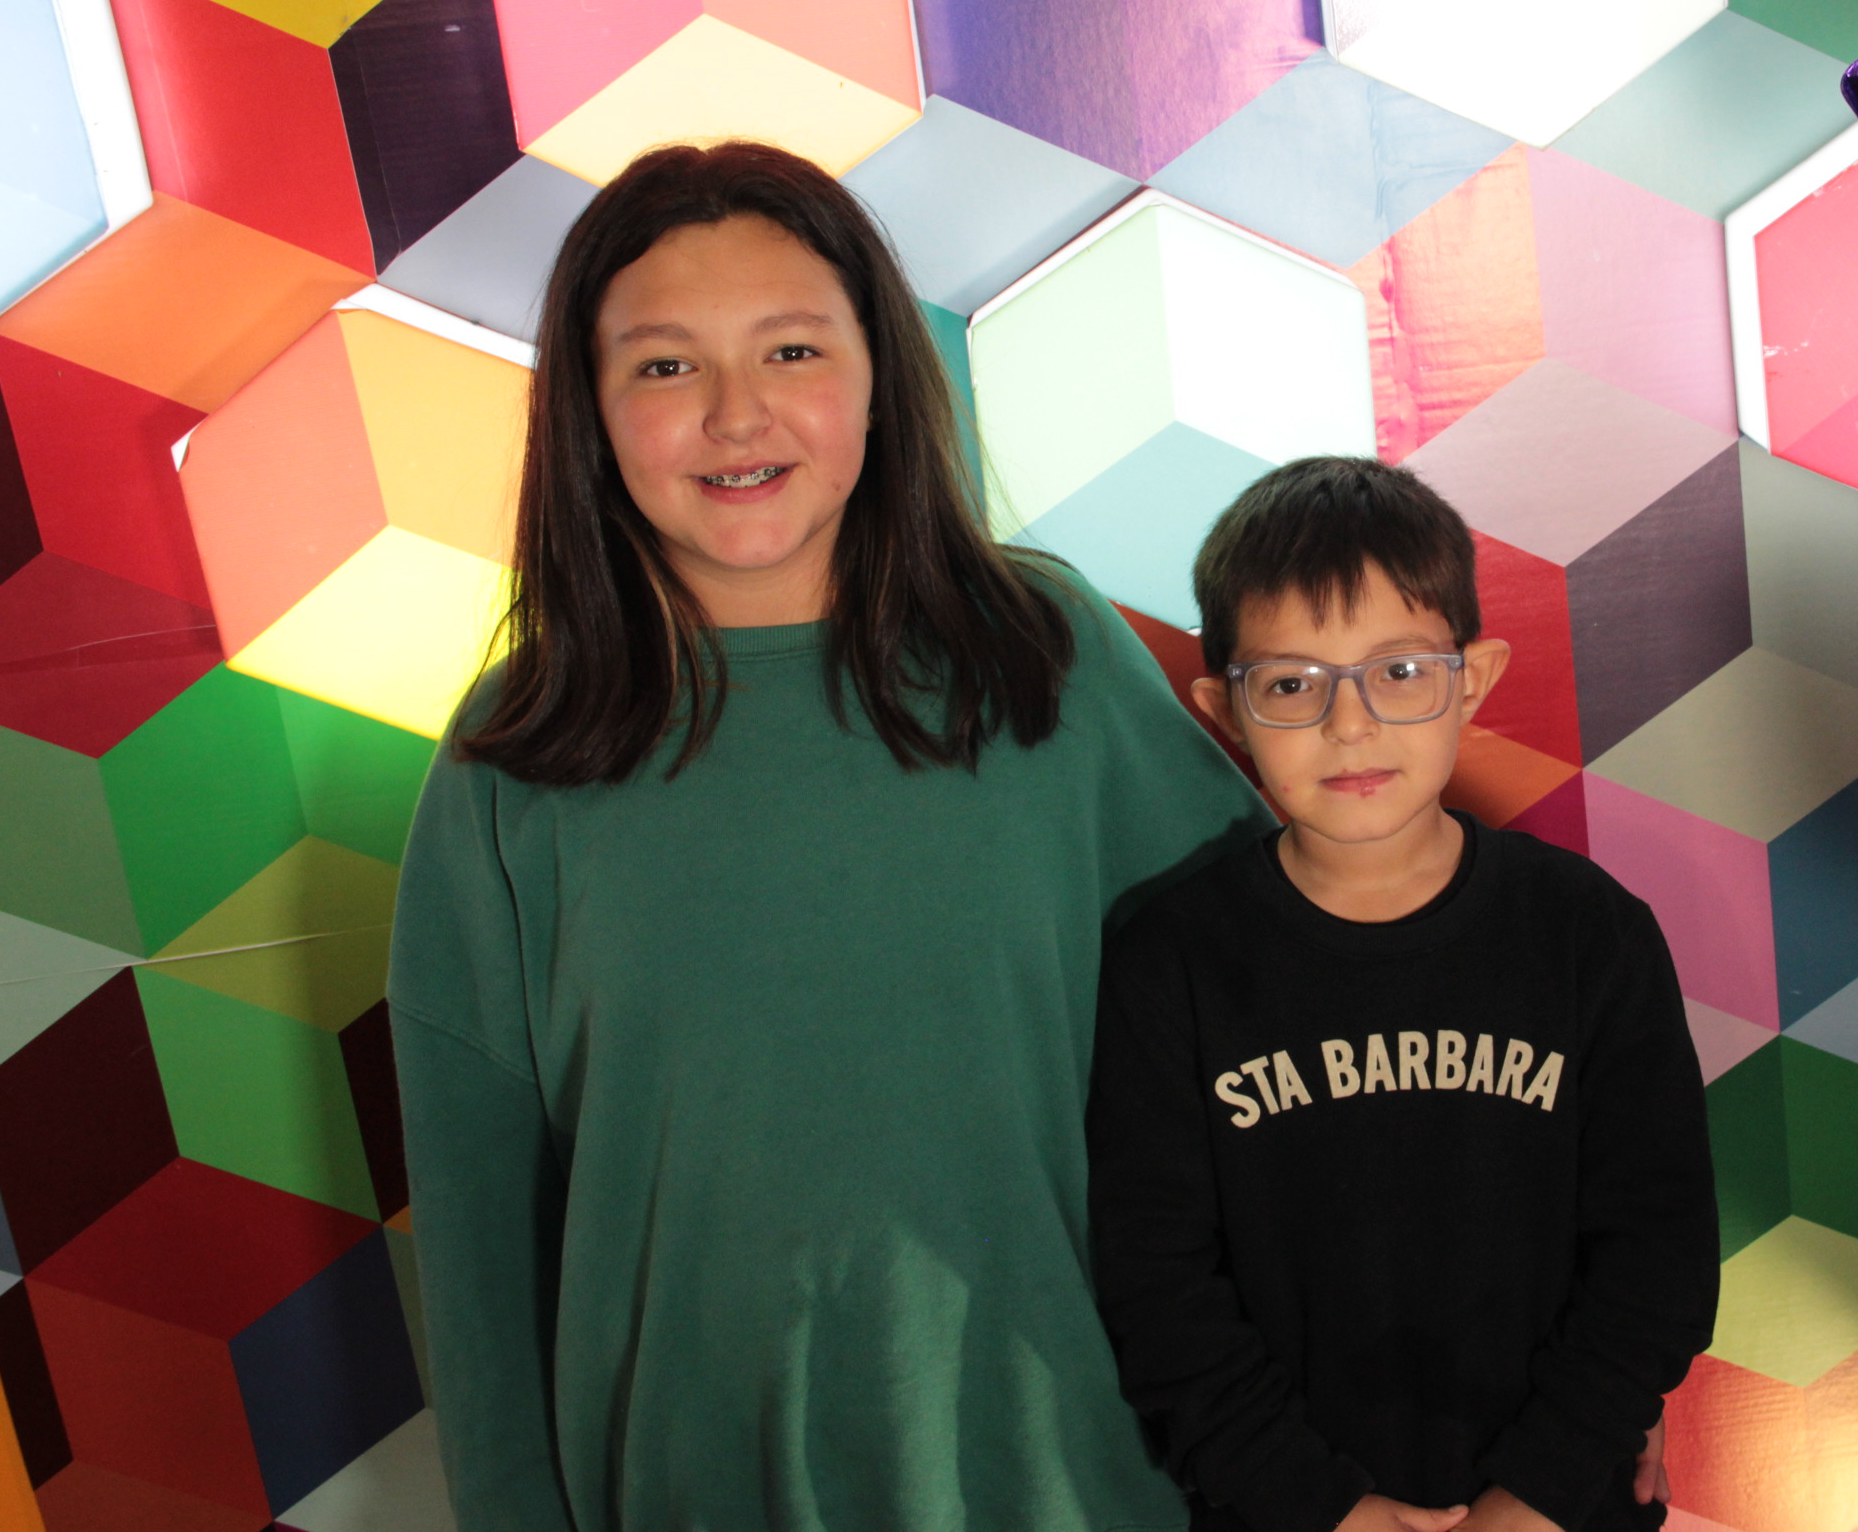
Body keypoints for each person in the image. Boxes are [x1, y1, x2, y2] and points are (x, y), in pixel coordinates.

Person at [387, 141, 1272, 1530]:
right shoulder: (518, 752)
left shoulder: (1044, 659)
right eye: (665, 366)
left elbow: (1293, 1040)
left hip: (1085, 1475)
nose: (736, 415)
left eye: (792, 350)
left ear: (878, 377)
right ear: (590, 416)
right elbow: (480, 1234)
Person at [1085, 457, 1719, 1532]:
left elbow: (1658, 1253)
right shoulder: (1169, 964)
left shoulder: (1588, 935)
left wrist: (1541, 1490)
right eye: (1293, 684)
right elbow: (1157, 1288)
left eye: (1401, 672)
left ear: (1473, 679)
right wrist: (1320, 1506)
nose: (1351, 725)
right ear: (1223, 708)